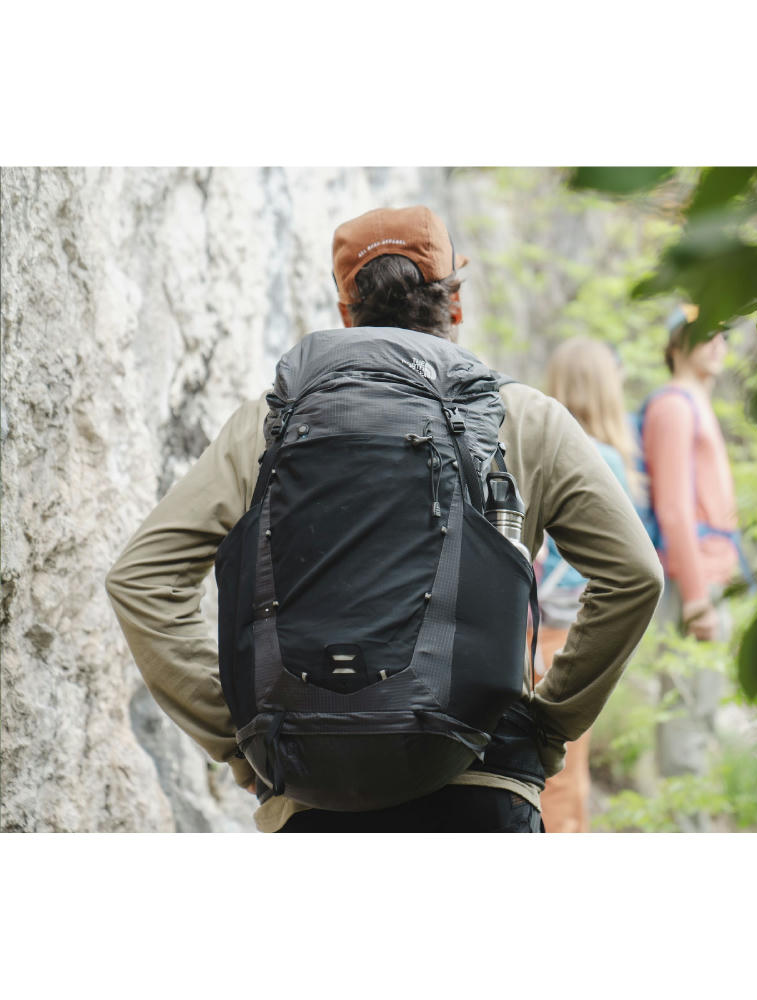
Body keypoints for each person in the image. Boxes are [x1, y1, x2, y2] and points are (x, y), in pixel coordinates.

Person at [105, 205, 663, 833]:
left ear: (346, 312)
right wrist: (548, 724)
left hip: (313, 791)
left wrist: (242, 739)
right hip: (481, 781)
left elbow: (139, 580)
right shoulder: (526, 419)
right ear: (455, 305)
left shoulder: (264, 426)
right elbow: (634, 576)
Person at [640, 303, 750, 817]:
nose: (718, 342)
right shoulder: (674, 406)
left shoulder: (695, 402)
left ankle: (695, 823)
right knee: (685, 719)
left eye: (722, 334)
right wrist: (697, 598)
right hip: (692, 583)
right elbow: (674, 510)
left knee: (702, 712)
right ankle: (687, 829)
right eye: (704, 334)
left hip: (710, 577)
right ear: (675, 344)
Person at [534, 337, 638, 833]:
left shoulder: (537, 451)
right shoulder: (605, 460)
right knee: (564, 772)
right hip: (573, 632)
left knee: (534, 765)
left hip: (529, 627)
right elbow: (628, 568)